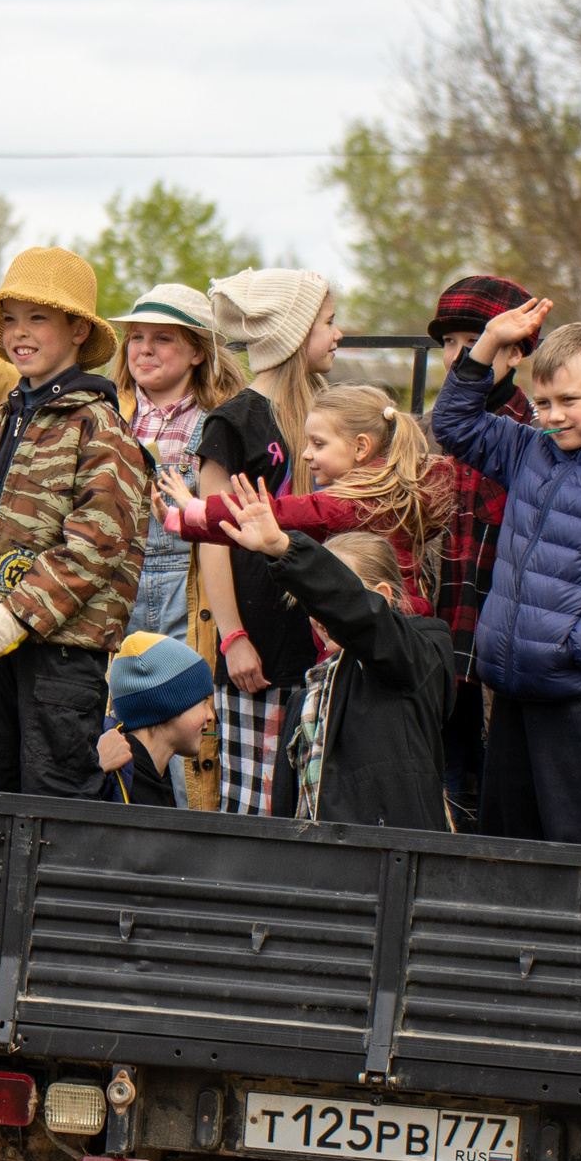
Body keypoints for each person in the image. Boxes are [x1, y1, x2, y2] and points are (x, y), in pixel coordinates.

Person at [430, 298, 581, 847]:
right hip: (515, 690)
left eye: (569, 400)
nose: (553, 415)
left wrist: (572, 645)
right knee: (508, 847)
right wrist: (490, 341)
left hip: (580, 695)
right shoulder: (529, 450)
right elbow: (451, 422)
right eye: (542, 403)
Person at [0, 247, 150, 797]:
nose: (18, 333)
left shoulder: (101, 426)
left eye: (38, 319)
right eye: (9, 320)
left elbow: (97, 541)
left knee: (56, 804)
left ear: (77, 330)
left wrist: (21, 614)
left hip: (63, 654)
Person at [0, 283, 242, 647]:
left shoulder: (221, 423)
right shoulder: (93, 409)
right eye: (136, 337)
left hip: (188, 600)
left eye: (164, 339)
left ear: (198, 352)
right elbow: (3, 382)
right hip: (106, 597)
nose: (145, 349)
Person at [207, 486, 455, 830]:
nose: (321, 615)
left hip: (387, 864)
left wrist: (284, 549)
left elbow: (361, 618)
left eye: (328, 599)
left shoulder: (417, 654)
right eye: (312, 604)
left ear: (380, 597)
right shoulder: (307, 694)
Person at [196, 268, 344, 812]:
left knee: (311, 803)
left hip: (321, 646)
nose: (337, 333)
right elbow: (212, 538)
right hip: (257, 651)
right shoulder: (234, 422)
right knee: (255, 806)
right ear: (295, 330)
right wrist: (232, 637)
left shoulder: (326, 417)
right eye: (327, 322)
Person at [161, 384, 452, 618]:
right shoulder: (384, 494)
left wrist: (198, 510)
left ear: (361, 447)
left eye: (319, 444)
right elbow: (260, 534)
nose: (305, 454)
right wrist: (183, 523)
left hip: (373, 630)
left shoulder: (354, 504)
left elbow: (279, 517)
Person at [426, 274, 539, 829]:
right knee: (438, 785)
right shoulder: (424, 434)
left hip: (498, 643)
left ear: (514, 352)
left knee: (497, 795)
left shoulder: (534, 432)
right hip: (434, 638)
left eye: (474, 343)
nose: (456, 357)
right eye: (449, 344)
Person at [94, 633, 215, 808]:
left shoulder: (152, 778)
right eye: (203, 702)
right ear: (165, 703)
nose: (210, 716)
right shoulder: (121, 781)